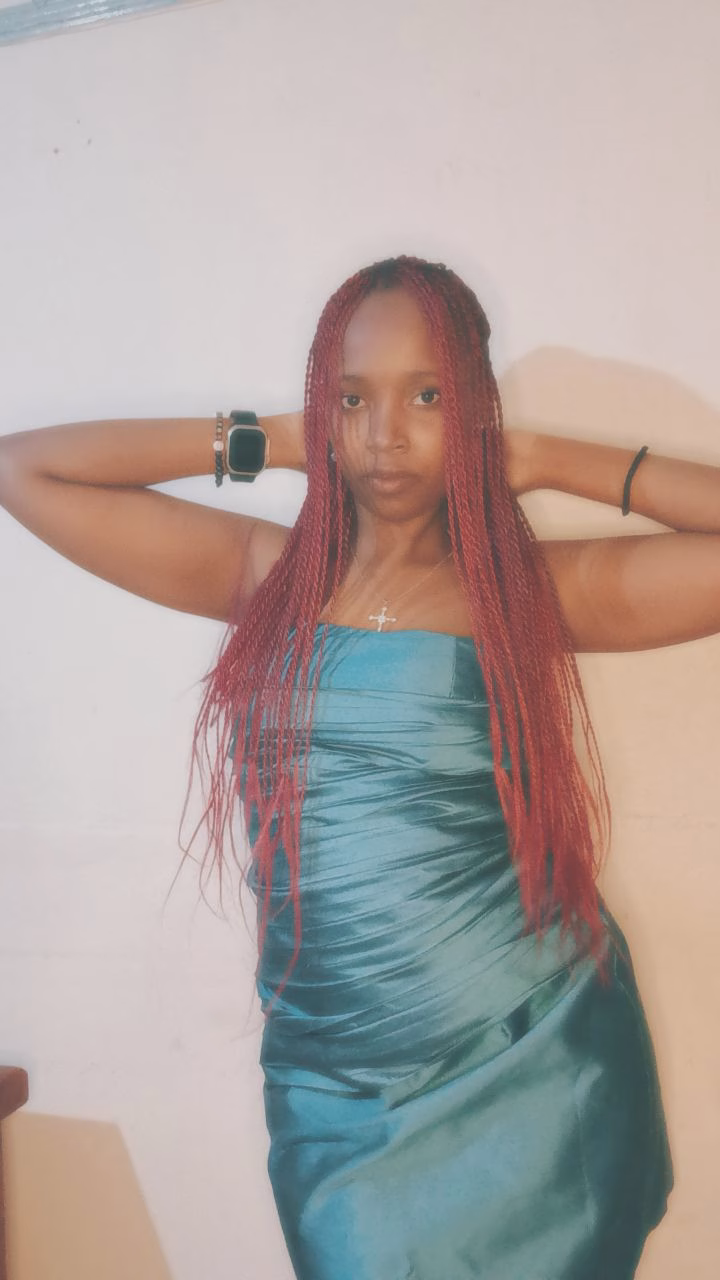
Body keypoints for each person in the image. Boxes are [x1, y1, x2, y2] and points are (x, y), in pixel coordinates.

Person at [1, 254, 718, 1280]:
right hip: (335, 1093)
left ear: (477, 409)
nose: (386, 432)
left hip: (532, 1057)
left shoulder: (529, 595)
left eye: (429, 396)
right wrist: (269, 438)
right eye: (352, 398)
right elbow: (23, 469)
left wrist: (546, 455)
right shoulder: (260, 574)